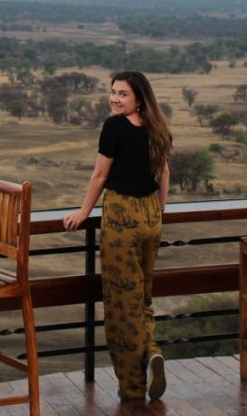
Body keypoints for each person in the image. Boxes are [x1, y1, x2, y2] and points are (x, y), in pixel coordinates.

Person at [63, 70, 172, 402]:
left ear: (139, 97)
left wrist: (83, 212)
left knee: (121, 304)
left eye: (122, 93)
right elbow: (163, 172)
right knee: (144, 297)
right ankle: (151, 351)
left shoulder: (114, 127)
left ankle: (133, 388)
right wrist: (159, 211)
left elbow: (99, 175)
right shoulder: (157, 127)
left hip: (122, 217)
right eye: (113, 92)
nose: (114, 98)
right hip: (151, 216)